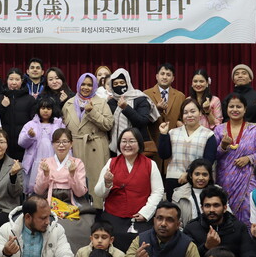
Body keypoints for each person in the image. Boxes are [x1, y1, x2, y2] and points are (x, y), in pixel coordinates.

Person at [94, 128, 165, 252]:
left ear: (139, 143)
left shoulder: (150, 164)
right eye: (124, 141)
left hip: (139, 216)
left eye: (132, 141)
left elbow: (158, 191)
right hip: (113, 215)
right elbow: (98, 192)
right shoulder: (112, 162)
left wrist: (145, 213)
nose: (127, 145)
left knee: (143, 244)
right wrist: (107, 183)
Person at [214, 93, 256, 226]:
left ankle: (249, 238)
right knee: (224, 212)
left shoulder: (255, 131)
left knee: (248, 211)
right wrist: (223, 146)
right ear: (226, 109)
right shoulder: (219, 130)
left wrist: (249, 158)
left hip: (247, 181)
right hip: (224, 181)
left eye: (238, 106)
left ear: (245, 109)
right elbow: (213, 156)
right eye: (231, 106)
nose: (235, 109)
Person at [34, 128, 92, 253]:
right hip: (49, 201)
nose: (61, 145)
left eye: (65, 141)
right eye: (57, 142)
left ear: (71, 144)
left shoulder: (77, 163)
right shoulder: (45, 162)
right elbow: (38, 191)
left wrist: (72, 174)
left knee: (78, 228)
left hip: (71, 201)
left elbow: (80, 192)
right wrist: (46, 174)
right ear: (53, 144)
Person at [62, 72, 114, 209]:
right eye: (83, 84)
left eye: (90, 85)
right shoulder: (68, 103)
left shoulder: (101, 102)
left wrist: (92, 112)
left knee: (95, 183)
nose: (86, 87)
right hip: (74, 148)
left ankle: (97, 211)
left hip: (95, 147)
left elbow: (109, 124)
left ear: (95, 86)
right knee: (75, 181)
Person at [158, 98, 216, 201]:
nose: (189, 115)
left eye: (193, 111)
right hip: (173, 180)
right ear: (182, 116)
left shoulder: (208, 135)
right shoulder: (172, 132)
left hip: (197, 180)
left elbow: (208, 161)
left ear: (200, 113)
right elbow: (164, 155)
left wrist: (189, 173)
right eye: (185, 113)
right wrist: (163, 134)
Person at [18, 97, 66, 193]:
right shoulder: (30, 124)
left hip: (54, 158)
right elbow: (21, 143)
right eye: (43, 108)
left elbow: (65, 142)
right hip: (35, 160)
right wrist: (29, 136)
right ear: (38, 109)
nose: (45, 111)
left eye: (48, 108)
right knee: (36, 185)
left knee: (52, 183)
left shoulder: (58, 124)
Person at [107, 68, 160, 153]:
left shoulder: (140, 98)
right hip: (116, 148)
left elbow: (142, 121)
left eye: (122, 83)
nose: (119, 86)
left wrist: (126, 108)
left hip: (139, 147)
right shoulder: (111, 102)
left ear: (128, 83)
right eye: (115, 84)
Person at [0, 67, 37, 161]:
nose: (14, 82)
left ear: (22, 81)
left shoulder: (29, 99)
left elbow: (34, 121)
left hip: (23, 144)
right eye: (11, 79)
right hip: (3, 144)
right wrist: (2, 106)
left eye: (17, 79)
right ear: (7, 80)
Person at [143, 62, 185, 148]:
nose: (165, 77)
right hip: (153, 140)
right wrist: (157, 110)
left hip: (174, 141)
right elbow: (143, 119)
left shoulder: (180, 96)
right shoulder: (146, 94)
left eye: (168, 75)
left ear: (173, 78)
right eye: (162, 74)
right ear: (157, 76)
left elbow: (182, 118)